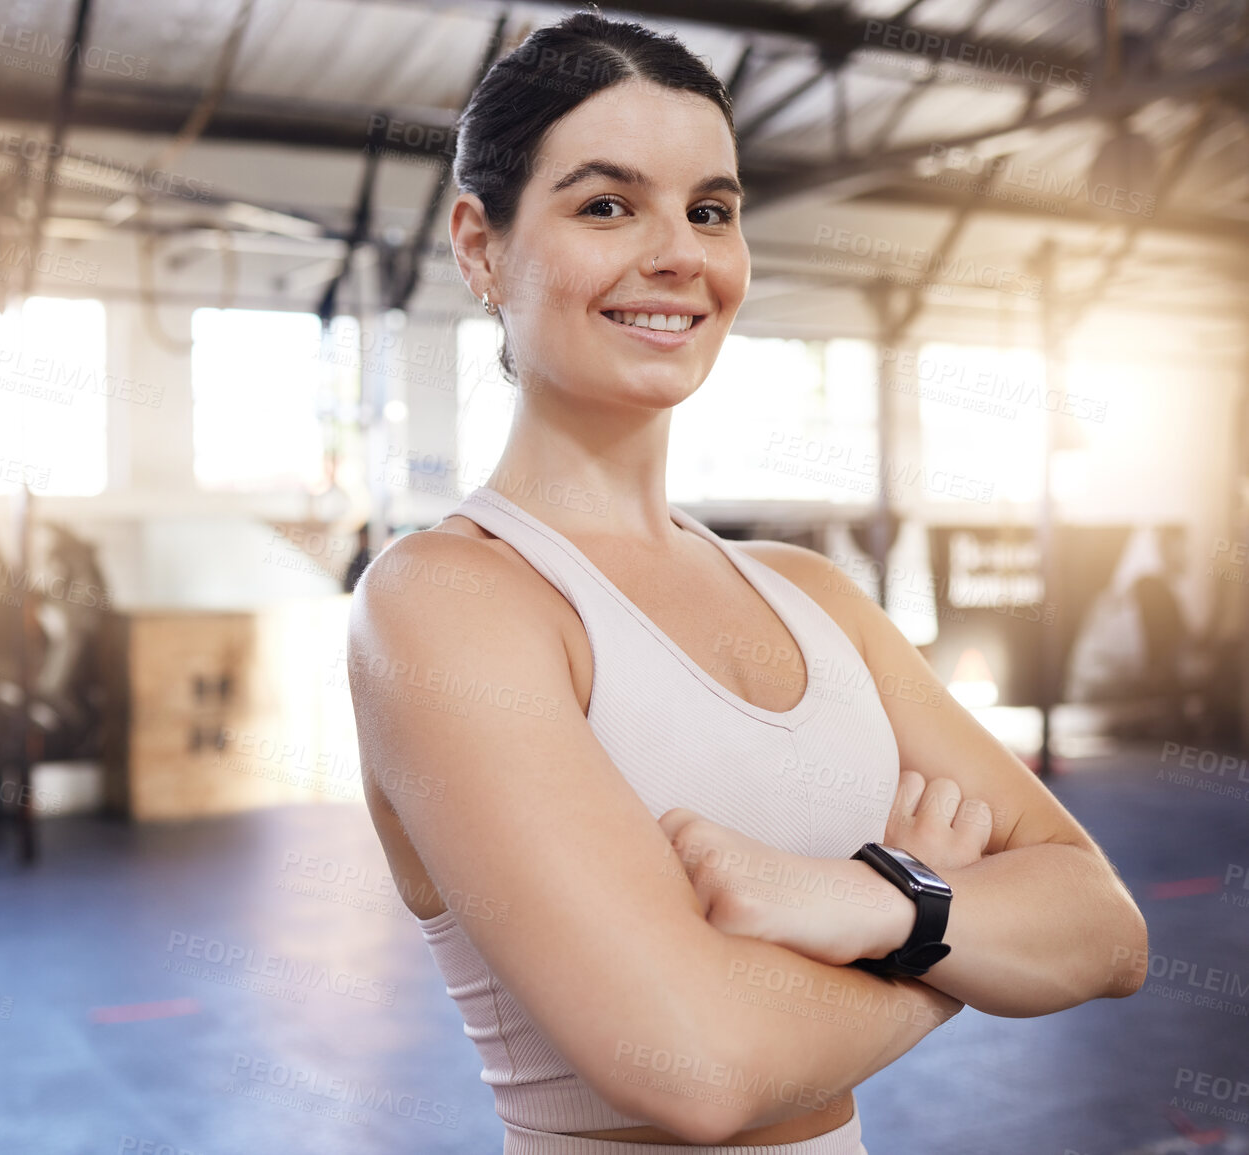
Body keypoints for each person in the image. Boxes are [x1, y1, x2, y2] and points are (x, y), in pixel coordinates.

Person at [344, 13, 1148, 1154]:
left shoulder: (813, 595)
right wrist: (946, 935)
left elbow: (1105, 930)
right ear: (480, 245)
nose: (679, 253)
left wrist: (869, 901)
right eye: (607, 204)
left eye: (710, 210)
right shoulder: (447, 601)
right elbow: (703, 1068)